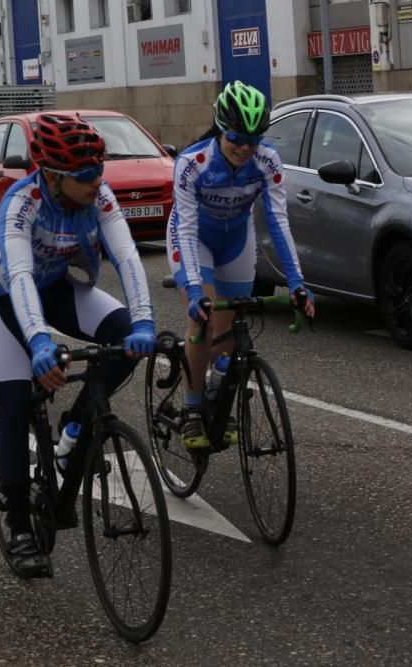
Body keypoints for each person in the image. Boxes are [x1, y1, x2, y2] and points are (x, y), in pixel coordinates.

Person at [0, 113, 155, 578]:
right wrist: (38, 343)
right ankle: (18, 524)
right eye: (87, 175)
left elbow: (128, 256)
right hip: (5, 297)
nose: (99, 181)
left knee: (121, 337)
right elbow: (18, 276)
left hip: (55, 285)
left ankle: (75, 426)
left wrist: (145, 322)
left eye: (100, 170)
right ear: (52, 176)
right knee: (15, 403)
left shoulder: (98, 195)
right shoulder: (21, 204)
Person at [168, 80, 315, 451]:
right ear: (220, 128)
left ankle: (221, 387)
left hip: (236, 240)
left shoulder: (266, 161)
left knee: (232, 322)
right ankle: (191, 409)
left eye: (254, 138)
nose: (246, 147)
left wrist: (297, 282)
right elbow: (184, 228)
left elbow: (278, 223)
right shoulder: (192, 164)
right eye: (236, 137)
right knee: (203, 318)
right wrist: (195, 290)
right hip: (194, 239)